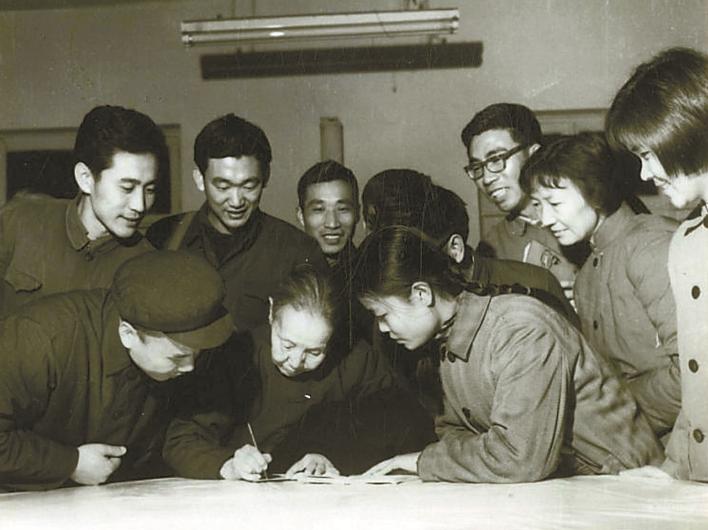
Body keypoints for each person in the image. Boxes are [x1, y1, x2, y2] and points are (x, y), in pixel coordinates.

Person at [352, 226, 662, 483]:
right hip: (570, 484)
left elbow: (519, 458)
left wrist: (425, 460)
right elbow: (454, 433)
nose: (382, 329)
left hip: (625, 484)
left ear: (421, 294)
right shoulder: (448, 340)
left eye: (383, 314)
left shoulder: (519, 329)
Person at [162, 264, 427, 480]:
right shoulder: (236, 356)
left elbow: (404, 426)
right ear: (271, 314)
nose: (296, 361)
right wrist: (229, 463)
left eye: (314, 351)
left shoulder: (357, 360)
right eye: (287, 344)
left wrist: (334, 456)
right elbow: (180, 441)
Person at [0, 250, 234, 491]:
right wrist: (70, 463)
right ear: (128, 335)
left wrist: (223, 464)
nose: (190, 367)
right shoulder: (40, 338)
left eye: (197, 354)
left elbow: (180, 434)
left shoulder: (189, 346)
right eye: (177, 357)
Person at [520, 132, 680, 437]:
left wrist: (613, 418)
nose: (545, 219)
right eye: (539, 205)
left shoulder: (649, 246)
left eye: (554, 203)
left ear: (595, 192)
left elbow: (694, 375)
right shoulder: (586, 276)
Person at [606, 47, 708, 481]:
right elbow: (697, 382)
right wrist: (675, 467)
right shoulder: (687, 242)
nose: (645, 175)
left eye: (648, 154)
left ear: (682, 133)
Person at [147, 114, 326, 332]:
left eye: (249, 186)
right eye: (223, 187)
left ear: (266, 177)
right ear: (199, 179)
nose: (236, 201)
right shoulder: (163, 237)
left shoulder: (297, 251)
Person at [0, 105, 165, 316]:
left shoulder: (148, 266)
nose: (140, 205)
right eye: (127, 188)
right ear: (85, 179)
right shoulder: (19, 221)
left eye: (149, 189)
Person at [460, 103, 579, 290]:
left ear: (533, 155)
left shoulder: (585, 212)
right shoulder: (491, 248)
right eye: (476, 167)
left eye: (496, 159)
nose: (487, 178)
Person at [297, 160, 359, 269]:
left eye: (342, 209)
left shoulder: (373, 272)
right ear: (301, 215)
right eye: (319, 209)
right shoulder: (284, 270)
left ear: (357, 213)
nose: (332, 224)